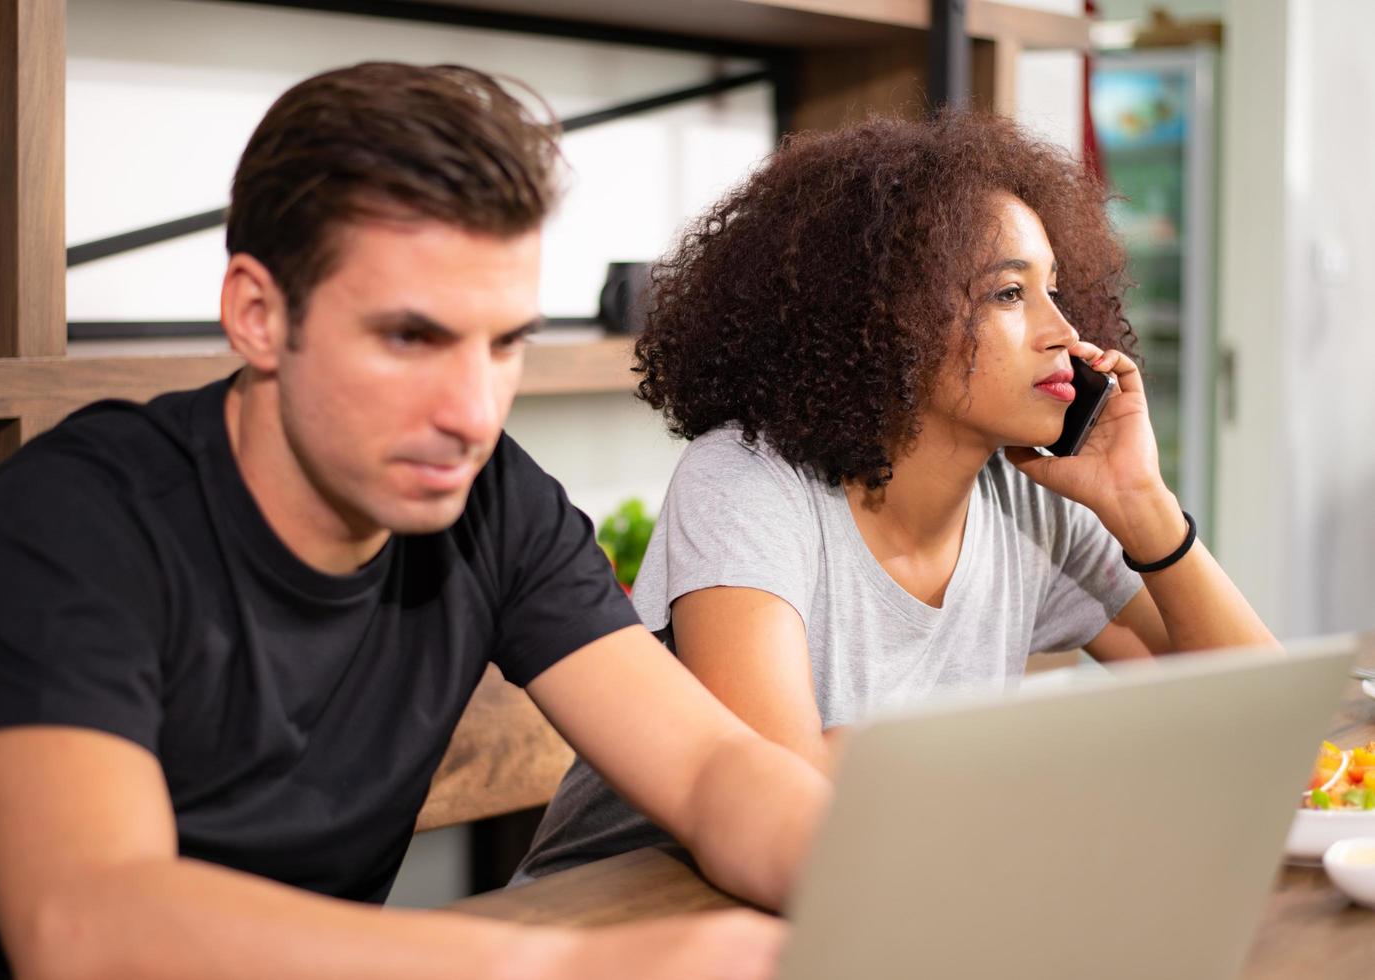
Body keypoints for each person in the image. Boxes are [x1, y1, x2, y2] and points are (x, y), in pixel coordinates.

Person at [0, 62, 829, 980]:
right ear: (256, 314)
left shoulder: (491, 501)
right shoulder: (68, 525)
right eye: (411, 338)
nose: (473, 413)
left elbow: (710, 770)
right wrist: (560, 968)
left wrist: (874, 883)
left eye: (504, 342)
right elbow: (89, 926)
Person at [514, 111, 1275, 882]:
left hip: (876, 893)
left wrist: (1140, 501)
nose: (1062, 332)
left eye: (1055, 289)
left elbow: (1264, 720)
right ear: (884, 319)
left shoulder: (1035, 498)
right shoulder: (745, 483)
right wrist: (1048, 747)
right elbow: (785, 785)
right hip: (625, 908)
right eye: (1009, 293)